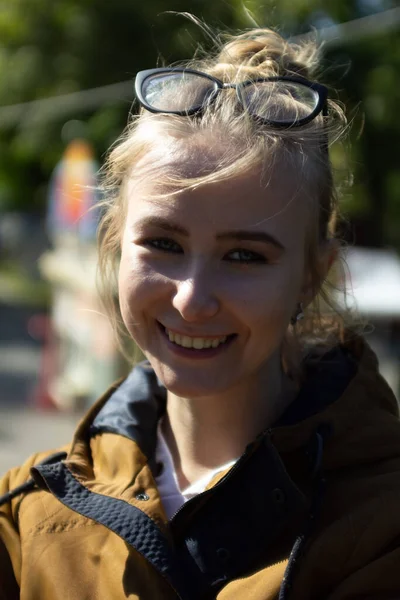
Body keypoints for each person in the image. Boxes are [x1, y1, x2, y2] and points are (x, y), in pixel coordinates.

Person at [1, 24, 400, 600]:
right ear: (115, 241)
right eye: (163, 244)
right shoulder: (30, 513)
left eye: (244, 255)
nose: (191, 297)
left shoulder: (377, 528)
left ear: (313, 273)